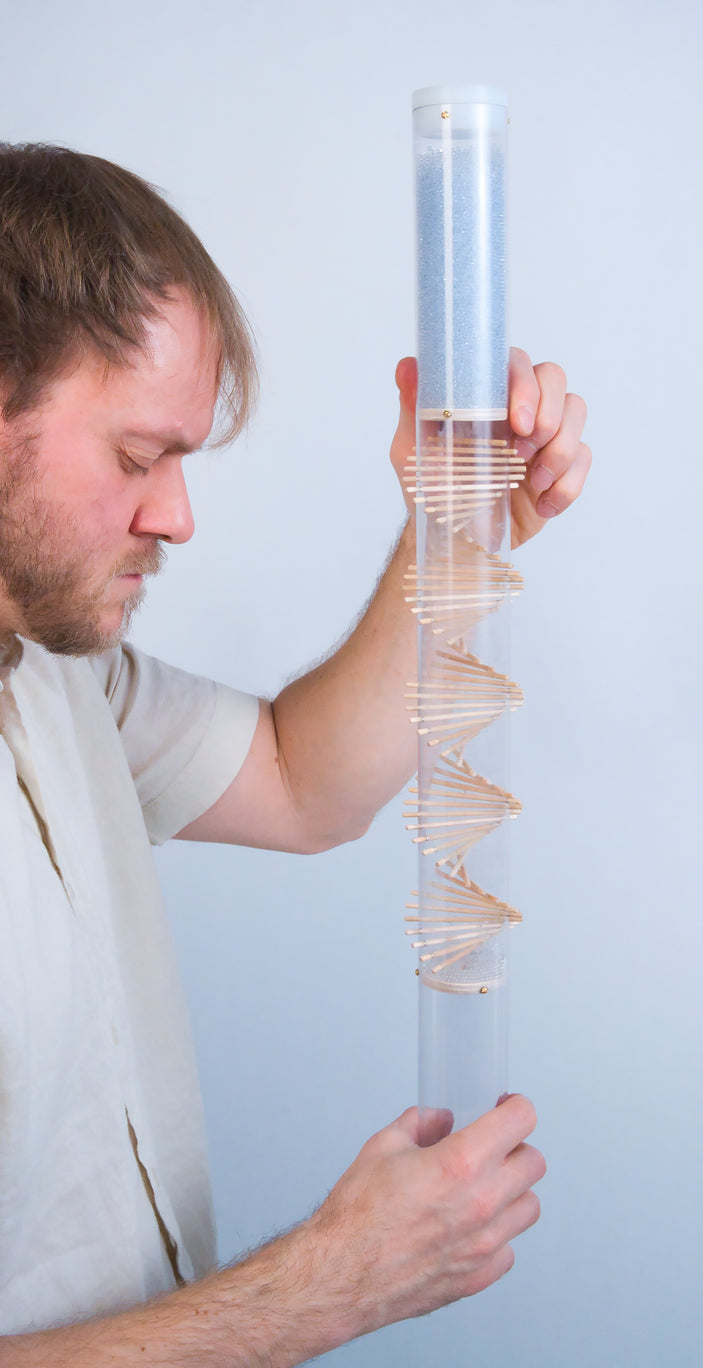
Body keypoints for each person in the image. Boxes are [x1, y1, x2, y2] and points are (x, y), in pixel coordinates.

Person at [0, 144, 591, 1364]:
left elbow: (298, 778)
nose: (175, 516)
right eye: (136, 455)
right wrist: (324, 1289)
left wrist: (455, 525)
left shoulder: (59, 674)